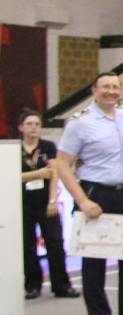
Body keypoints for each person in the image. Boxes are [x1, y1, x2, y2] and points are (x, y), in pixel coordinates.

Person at [53, 72, 123, 315]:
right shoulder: (79, 123)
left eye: (115, 87)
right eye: (105, 87)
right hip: (96, 195)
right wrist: (82, 201)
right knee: (94, 266)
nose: (110, 91)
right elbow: (61, 164)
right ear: (94, 90)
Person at [19, 109, 78, 300]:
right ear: (21, 127)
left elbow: (54, 173)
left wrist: (53, 200)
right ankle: (32, 285)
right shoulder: (14, 149)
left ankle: (61, 285)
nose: (34, 127)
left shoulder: (48, 146)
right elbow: (11, 176)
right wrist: (37, 174)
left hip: (46, 201)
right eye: (29, 124)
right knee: (27, 246)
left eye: (37, 124)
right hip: (23, 203)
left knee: (55, 243)